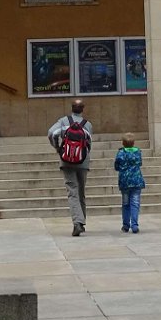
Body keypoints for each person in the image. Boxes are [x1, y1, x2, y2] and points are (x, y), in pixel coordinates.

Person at [47, 98, 92, 236]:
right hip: (83, 162)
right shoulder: (88, 124)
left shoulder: (63, 121)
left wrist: (58, 148)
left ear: (72, 108)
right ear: (82, 109)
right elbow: (89, 143)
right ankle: (82, 222)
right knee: (81, 192)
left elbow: (51, 133)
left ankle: (77, 222)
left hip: (67, 161)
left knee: (72, 191)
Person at [115, 134, 145, 233]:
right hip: (136, 180)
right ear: (133, 143)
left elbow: (116, 166)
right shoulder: (138, 152)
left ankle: (126, 225)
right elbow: (140, 163)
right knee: (135, 203)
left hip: (125, 181)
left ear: (123, 143)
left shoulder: (120, 153)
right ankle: (135, 225)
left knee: (125, 203)